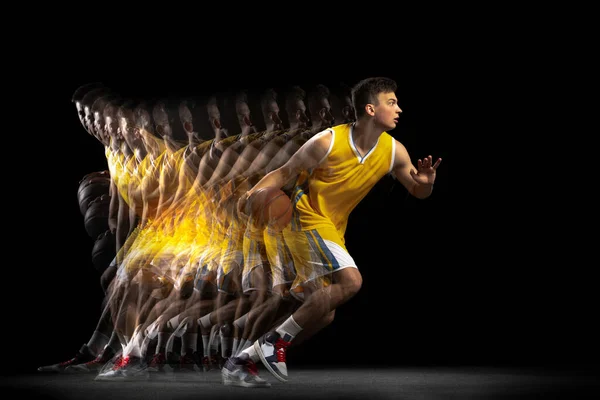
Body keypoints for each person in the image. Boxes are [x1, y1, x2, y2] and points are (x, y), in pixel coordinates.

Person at [225, 77, 442, 387]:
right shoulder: (327, 142)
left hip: (332, 229)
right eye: (391, 103)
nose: (399, 109)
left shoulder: (395, 151)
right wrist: (250, 198)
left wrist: (427, 183)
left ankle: (243, 359)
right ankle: (273, 343)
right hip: (305, 219)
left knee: (324, 313)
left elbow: (417, 191)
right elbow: (284, 173)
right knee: (351, 281)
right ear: (370, 108)